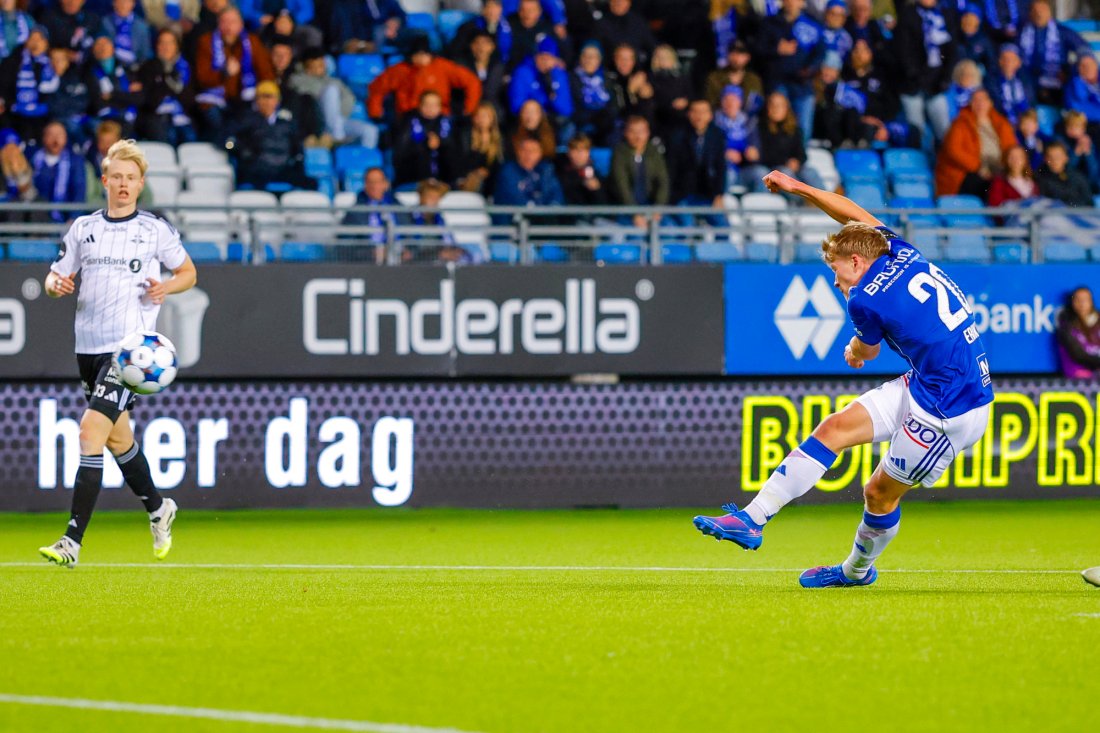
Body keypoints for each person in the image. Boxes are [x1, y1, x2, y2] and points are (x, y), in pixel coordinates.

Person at [694, 168, 994, 588]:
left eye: (836, 271)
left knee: (877, 493)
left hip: (950, 410)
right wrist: (799, 189)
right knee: (831, 429)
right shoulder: (899, 251)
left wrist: (855, 348)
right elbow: (852, 214)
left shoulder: (864, 298)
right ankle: (752, 519)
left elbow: (866, 352)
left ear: (857, 261)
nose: (836, 282)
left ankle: (855, 571)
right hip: (929, 383)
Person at [38, 139, 196, 568]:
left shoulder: (154, 230)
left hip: (130, 353)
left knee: (89, 433)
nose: (124, 185)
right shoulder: (84, 229)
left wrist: (167, 286)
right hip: (87, 348)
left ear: (140, 184)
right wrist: (57, 286)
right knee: (118, 439)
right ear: (105, 180)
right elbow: (54, 278)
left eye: (131, 179)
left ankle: (71, 542)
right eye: (117, 177)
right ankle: (159, 507)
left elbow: (188, 272)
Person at [194, 6, 275, 142]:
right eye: (224, 22)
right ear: (218, 24)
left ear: (240, 25)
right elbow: (202, 78)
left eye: (233, 22)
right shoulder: (206, 42)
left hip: (245, 98)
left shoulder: (252, 42)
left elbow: (266, 74)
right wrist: (224, 73)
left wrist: (263, 95)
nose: (228, 26)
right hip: (214, 99)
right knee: (216, 120)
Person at [366, 35, 481, 122]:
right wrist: (375, 113)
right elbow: (377, 89)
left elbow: (472, 82)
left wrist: (469, 110)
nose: (421, 58)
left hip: (439, 117)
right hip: (408, 118)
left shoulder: (442, 66)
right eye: (417, 54)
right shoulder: (400, 70)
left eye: (424, 54)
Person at [894, 0, 957, 148]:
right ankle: (919, 165)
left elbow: (951, 50)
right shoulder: (908, 14)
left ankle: (942, 163)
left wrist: (945, 78)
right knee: (916, 131)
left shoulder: (945, 14)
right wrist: (914, 75)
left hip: (937, 83)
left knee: (944, 129)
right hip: (912, 84)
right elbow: (903, 49)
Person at [934, 89, 1016, 199]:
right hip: (970, 172)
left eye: (983, 100)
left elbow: (1011, 149)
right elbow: (953, 150)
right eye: (975, 100)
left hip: (998, 169)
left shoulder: (1002, 123)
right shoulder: (960, 123)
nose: (980, 104)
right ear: (970, 103)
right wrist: (979, 167)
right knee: (989, 186)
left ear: (990, 103)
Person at [232, 79, 309, 189]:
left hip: (284, 168)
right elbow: (231, 142)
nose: (266, 101)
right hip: (257, 169)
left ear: (277, 100)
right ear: (256, 100)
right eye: (262, 97)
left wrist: (296, 160)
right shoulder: (246, 121)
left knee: (310, 184)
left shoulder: (288, 123)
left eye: (269, 97)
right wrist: (243, 152)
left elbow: (297, 147)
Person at [1018, 0, 1089, 107]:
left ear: (1050, 12)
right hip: (1030, 80)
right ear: (1030, 14)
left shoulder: (1062, 31)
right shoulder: (1022, 32)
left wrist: (1082, 60)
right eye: (1035, 10)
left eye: (1042, 10)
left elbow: (1081, 46)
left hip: (1057, 78)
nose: (1039, 14)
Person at [136, 27, 197, 145]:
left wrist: (164, 81)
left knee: (191, 141)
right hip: (156, 118)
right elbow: (149, 100)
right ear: (156, 46)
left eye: (170, 43)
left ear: (177, 46)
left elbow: (189, 99)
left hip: (183, 118)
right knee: (168, 138)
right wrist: (168, 81)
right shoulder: (148, 67)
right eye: (162, 43)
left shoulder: (185, 67)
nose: (166, 47)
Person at [609, 115, 670, 229]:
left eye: (641, 131)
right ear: (625, 133)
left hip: (651, 207)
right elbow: (622, 187)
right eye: (633, 132)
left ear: (648, 133)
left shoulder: (654, 152)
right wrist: (635, 215)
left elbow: (663, 182)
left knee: (670, 232)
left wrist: (658, 209)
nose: (637, 136)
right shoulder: (619, 153)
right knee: (636, 236)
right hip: (626, 209)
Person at [0, 24, 58, 143]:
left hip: (43, 114)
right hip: (14, 111)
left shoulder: (52, 63)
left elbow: (54, 93)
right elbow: (4, 86)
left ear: (46, 44)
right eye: (32, 38)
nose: (35, 43)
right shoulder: (13, 61)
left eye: (40, 39)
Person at [392, 90, 459, 187]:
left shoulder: (447, 122)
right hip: (413, 176)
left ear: (440, 107)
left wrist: (440, 143)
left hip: (442, 177)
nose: (430, 108)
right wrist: (425, 144)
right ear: (420, 105)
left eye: (434, 105)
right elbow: (401, 151)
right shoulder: (407, 121)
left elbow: (454, 150)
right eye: (427, 104)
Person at [339, 166, 397, 261]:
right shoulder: (354, 212)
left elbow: (412, 236)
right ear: (365, 185)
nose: (374, 186)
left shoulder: (398, 207)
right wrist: (370, 253)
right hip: (368, 263)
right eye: (370, 182)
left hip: (400, 260)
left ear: (385, 184)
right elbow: (345, 245)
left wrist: (407, 252)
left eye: (378, 182)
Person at [493, 135, 564, 208]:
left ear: (540, 154)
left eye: (533, 151)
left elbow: (555, 193)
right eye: (524, 150)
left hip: (542, 215)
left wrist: (553, 208)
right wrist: (534, 209)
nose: (528, 154)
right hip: (514, 215)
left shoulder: (546, 170)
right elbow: (513, 196)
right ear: (518, 152)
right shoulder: (508, 170)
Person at [455, 100, 504, 194]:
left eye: (485, 116)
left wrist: (487, 171)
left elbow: (500, 163)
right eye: (478, 116)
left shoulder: (499, 139)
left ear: (492, 118)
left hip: (491, 180)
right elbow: (460, 162)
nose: (481, 119)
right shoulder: (465, 136)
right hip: (469, 179)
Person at [1056, 286, 1100, 379]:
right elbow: (1078, 355)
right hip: (1078, 376)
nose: (1082, 304)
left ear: (1091, 301)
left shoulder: (1097, 321)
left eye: (1085, 300)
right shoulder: (1066, 326)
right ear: (1072, 303)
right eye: (1078, 300)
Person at [1035, 139, 1092, 207]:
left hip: (1078, 214)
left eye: (1058, 156)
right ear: (1045, 159)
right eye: (1050, 157)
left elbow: (1089, 202)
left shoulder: (1078, 177)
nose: (1054, 160)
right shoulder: (1039, 178)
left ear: (1066, 158)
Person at [100, 0, 153, 66]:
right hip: (111, 65)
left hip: (134, 66)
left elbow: (145, 53)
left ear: (133, 4)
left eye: (127, 1)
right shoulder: (105, 22)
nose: (123, 5)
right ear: (114, 3)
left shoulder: (142, 26)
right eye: (120, 1)